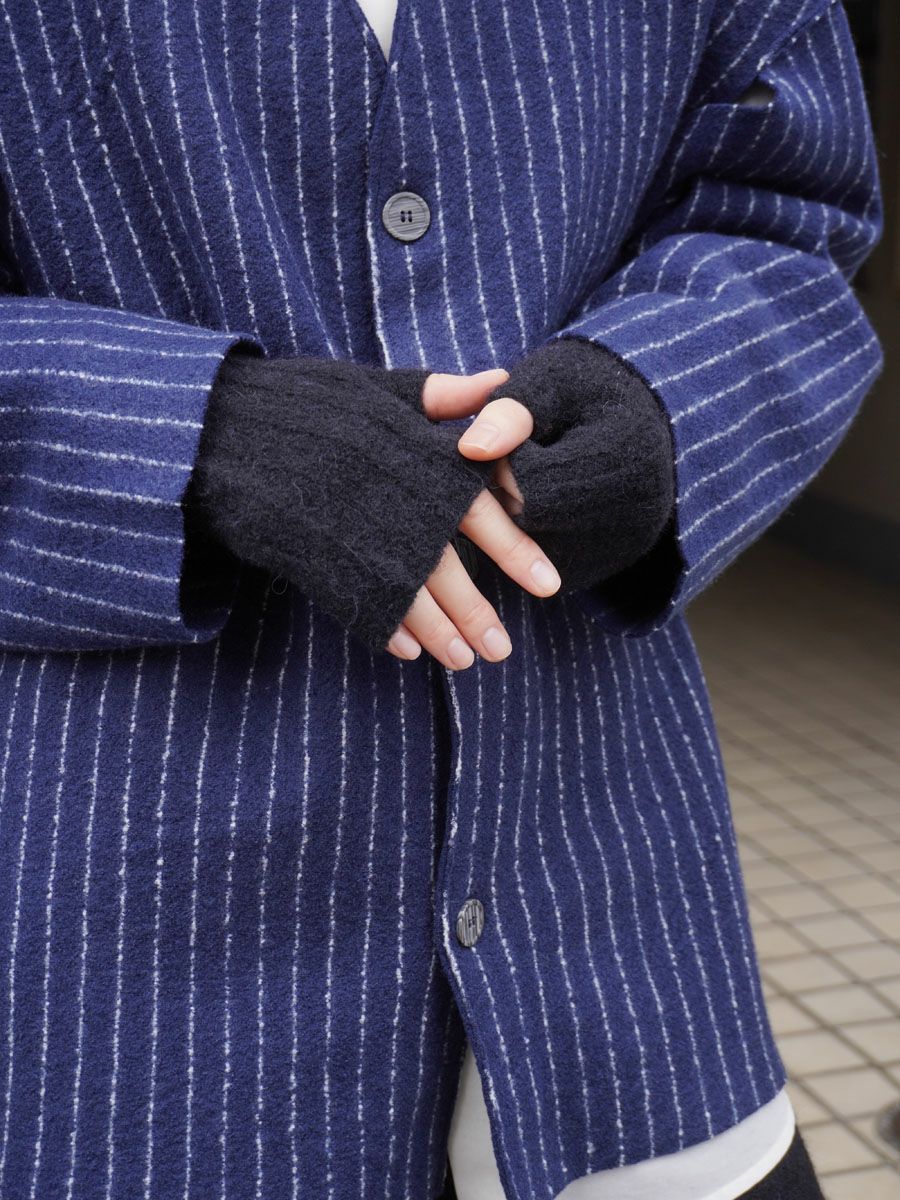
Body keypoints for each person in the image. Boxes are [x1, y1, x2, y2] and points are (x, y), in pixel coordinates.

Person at [0, 1, 881, 1198]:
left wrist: (665, 393)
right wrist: (182, 435)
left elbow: (789, 210)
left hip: (621, 920)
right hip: (130, 963)